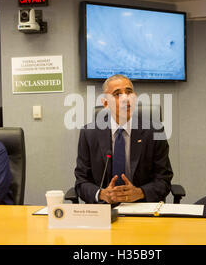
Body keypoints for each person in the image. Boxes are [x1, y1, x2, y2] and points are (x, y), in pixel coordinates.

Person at [74, 74, 173, 204]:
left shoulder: (154, 131)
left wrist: (140, 192)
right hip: (103, 208)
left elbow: (163, 179)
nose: (125, 98)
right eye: (117, 94)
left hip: (142, 206)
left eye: (129, 92)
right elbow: (81, 181)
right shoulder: (89, 133)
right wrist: (102, 194)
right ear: (105, 103)